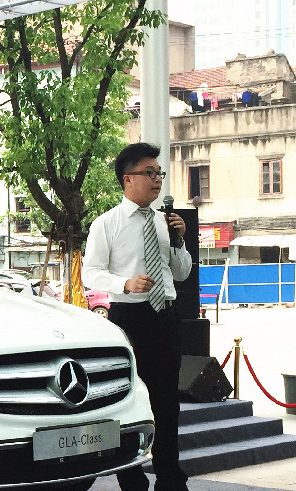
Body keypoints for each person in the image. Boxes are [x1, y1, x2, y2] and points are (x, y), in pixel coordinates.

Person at [82, 142, 192, 491]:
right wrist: (124, 284)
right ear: (127, 179)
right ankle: (131, 479)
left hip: (166, 317)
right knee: (128, 402)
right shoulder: (107, 223)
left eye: (159, 173)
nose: (157, 180)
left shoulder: (165, 223)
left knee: (167, 402)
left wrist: (179, 242)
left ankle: (170, 478)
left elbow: (182, 272)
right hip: (129, 318)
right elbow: (90, 273)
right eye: (149, 173)